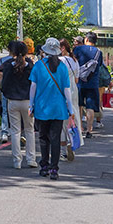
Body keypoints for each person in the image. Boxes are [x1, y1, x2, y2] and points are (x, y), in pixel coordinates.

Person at [29, 37, 77, 180]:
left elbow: (33, 87)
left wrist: (31, 105)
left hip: (42, 107)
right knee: (55, 138)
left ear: (44, 51)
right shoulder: (62, 67)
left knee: (43, 138)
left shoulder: (38, 66)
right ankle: (54, 169)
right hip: (59, 108)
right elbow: (67, 90)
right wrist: (71, 109)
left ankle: (44, 165)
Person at [0, 40, 35, 169]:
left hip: (12, 101)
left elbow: (4, 84)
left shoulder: (8, 65)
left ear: (12, 52)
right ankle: (31, 159)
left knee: (15, 131)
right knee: (29, 130)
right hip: (27, 101)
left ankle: (16, 161)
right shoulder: (30, 65)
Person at [73, 32, 103, 138]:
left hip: (80, 81)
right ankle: (89, 130)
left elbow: (73, 62)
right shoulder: (99, 52)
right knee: (90, 107)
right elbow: (99, 65)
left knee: (79, 105)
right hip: (93, 82)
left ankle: (80, 128)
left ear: (86, 39)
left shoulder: (78, 49)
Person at [58, 37, 81, 161]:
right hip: (73, 91)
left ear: (62, 48)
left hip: (62, 91)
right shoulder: (74, 60)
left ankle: (63, 151)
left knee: (62, 123)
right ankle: (72, 145)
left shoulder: (59, 60)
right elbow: (77, 79)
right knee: (72, 120)